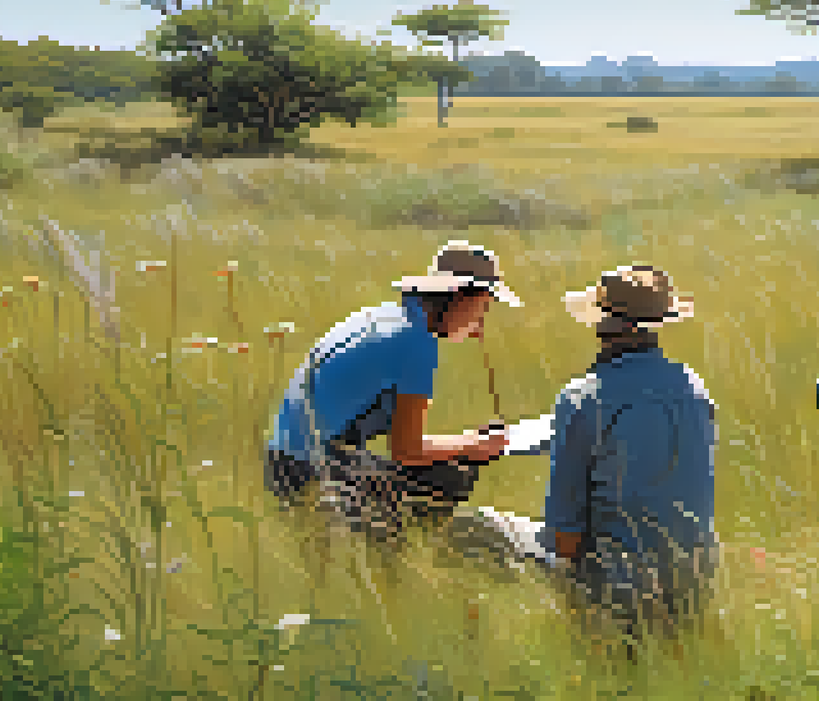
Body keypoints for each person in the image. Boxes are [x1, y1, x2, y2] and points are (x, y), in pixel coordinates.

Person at [448, 265, 717, 639]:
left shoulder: (583, 398)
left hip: (619, 588)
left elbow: (564, 540)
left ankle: (479, 651)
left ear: (600, 323)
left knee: (465, 528)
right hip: (694, 584)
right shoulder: (695, 389)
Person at [264, 241, 518, 540]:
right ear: (459, 298)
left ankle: (384, 543)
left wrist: (467, 443)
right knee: (453, 475)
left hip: (283, 459)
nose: (479, 328)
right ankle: (386, 551)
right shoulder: (416, 343)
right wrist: (472, 445)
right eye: (481, 310)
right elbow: (407, 451)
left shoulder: (382, 316)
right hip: (309, 469)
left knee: (441, 469)